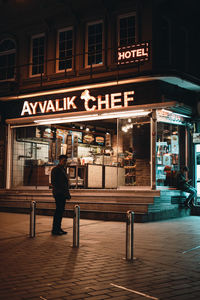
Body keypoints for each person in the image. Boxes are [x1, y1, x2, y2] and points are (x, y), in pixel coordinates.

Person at [51, 154, 71, 235]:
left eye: (66, 161)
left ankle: (58, 228)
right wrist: (63, 192)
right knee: (58, 211)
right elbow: (55, 183)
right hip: (59, 193)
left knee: (60, 211)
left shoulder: (63, 169)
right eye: (64, 161)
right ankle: (55, 229)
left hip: (62, 193)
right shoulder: (56, 170)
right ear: (60, 161)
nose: (65, 162)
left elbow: (64, 184)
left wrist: (67, 193)